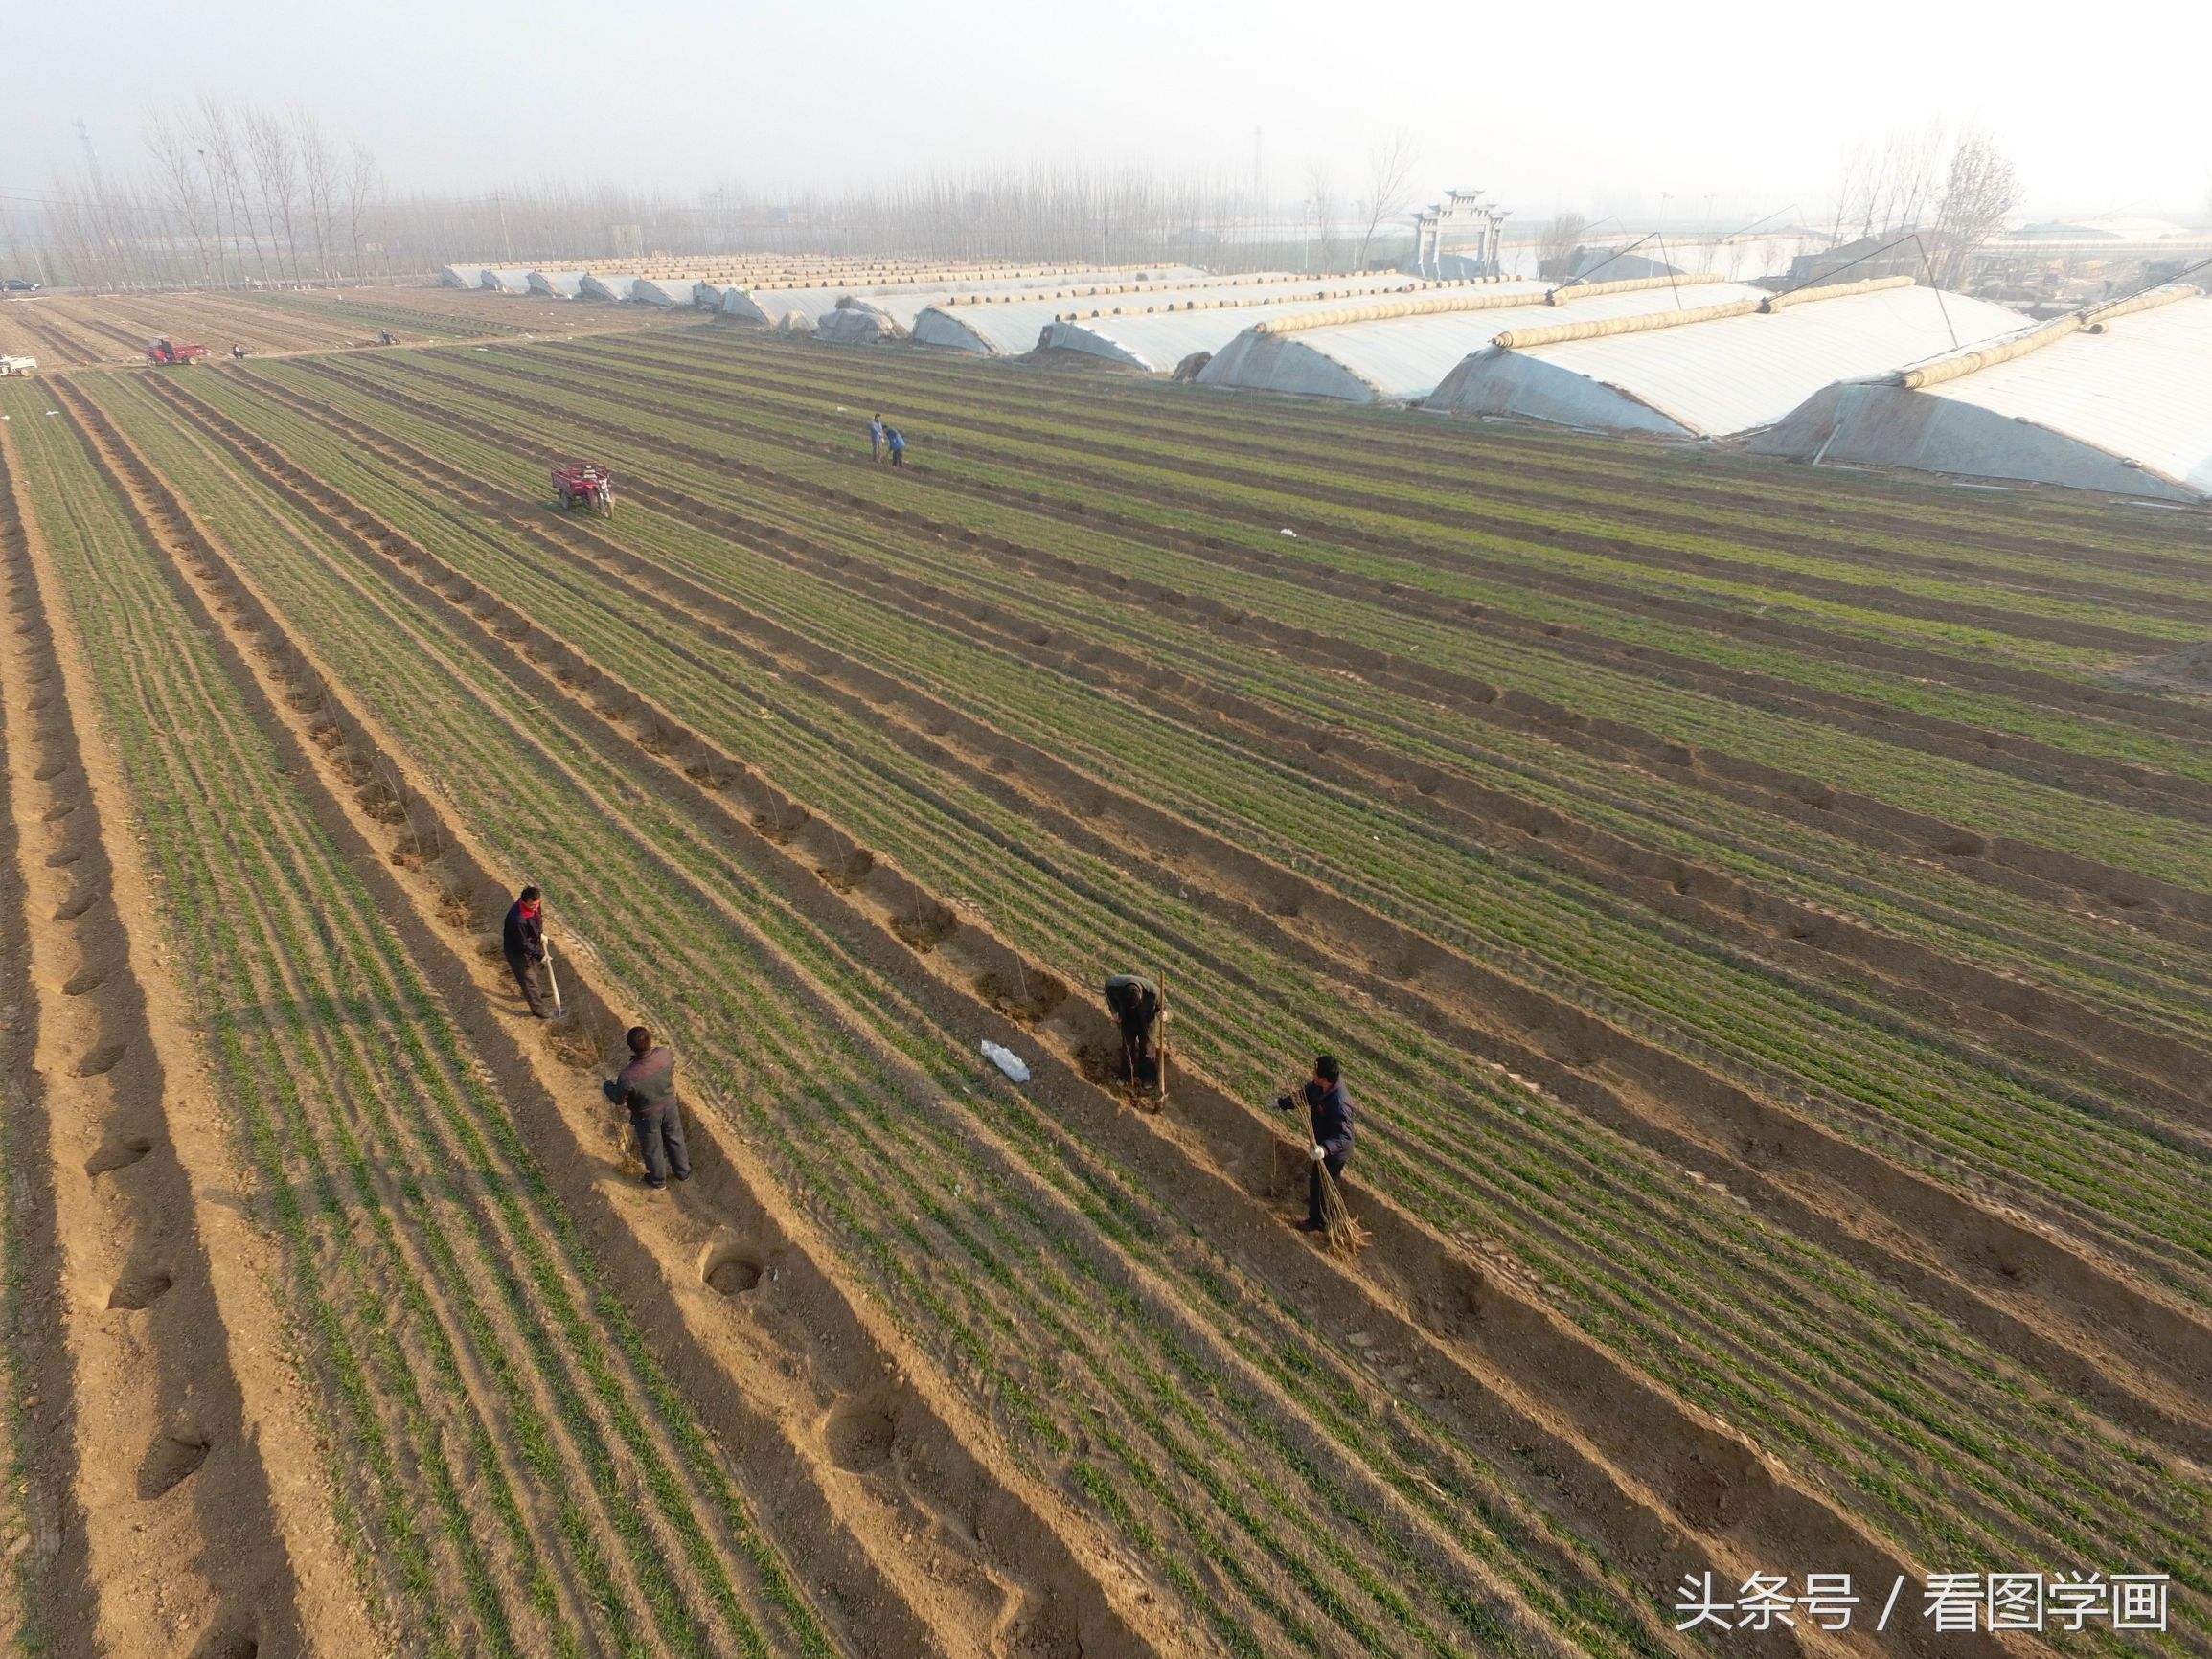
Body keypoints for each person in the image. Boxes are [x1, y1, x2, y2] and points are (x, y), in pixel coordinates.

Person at [604, 1026, 691, 1189]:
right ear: (650, 1041)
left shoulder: (628, 1076)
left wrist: (607, 1086)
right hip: (670, 1106)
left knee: (653, 1148)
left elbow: (618, 1099)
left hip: (647, 1115)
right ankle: (683, 1172)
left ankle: (658, 1181)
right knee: (675, 1138)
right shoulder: (664, 1055)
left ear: (631, 1047)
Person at [1275, 1055, 1354, 1233]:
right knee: (1323, 1182)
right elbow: (1304, 1095)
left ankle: (1318, 1222)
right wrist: (1282, 1104)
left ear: (1324, 1078)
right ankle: (1324, 1210)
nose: (1312, 1073)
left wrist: (1325, 1149)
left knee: (1319, 1184)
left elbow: (1344, 1137)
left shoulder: (1339, 1103)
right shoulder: (1320, 1087)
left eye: (1315, 1071)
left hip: (1335, 1152)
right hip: (1323, 1144)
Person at [1103, 973, 1165, 1090]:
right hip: (1128, 1018)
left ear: (1141, 995)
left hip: (1147, 1021)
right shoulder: (1114, 985)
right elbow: (1108, 992)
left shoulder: (1154, 992)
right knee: (1127, 1046)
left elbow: (1168, 1009)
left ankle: (1147, 1078)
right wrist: (1114, 1010)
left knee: (1147, 1049)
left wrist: (1165, 1015)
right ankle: (1126, 1076)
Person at [501, 885, 551, 1018]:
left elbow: (537, 919)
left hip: (531, 944)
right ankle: (538, 1010)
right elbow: (523, 944)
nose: (535, 908)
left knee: (533, 971)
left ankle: (537, 992)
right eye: (532, 905)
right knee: (528, 979)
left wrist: (540, 934)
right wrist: (540, 955)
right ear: (524, 902)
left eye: (537, 904)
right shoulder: (518, 919)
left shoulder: (535, 905)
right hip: (517, 951)